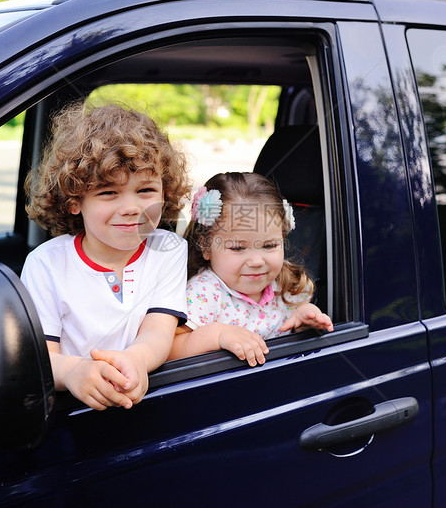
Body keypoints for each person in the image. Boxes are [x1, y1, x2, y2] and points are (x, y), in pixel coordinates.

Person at [21, 102, 191, 410]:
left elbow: (158, 329)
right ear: (74, 201)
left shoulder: (169, 250)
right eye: (108, 192)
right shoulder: (46, 264)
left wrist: (136, 360)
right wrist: (74, 372)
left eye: (146, 191)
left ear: (165, 193)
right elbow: (43, 356)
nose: (131, 208)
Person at [169, 172, 333, 366]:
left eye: (269, 245)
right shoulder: (204, 293)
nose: (256, 261)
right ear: (206, 247)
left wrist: (303, 319)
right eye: (238, 248)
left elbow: (291, 325)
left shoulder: (285, 282)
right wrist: (218, 334)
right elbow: (170, 350)